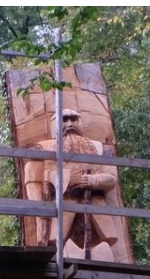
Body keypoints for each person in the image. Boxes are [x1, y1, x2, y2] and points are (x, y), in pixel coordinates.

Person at [23, 108, 126, 262]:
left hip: (96, 207)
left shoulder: (100, 148)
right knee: (58, 248)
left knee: (105, 252)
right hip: (62, 208)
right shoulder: (42, 148)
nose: (69, 124)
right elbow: (33, 182)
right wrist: (41, 208)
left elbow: (112, 178)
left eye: (73, 119)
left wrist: (93, 181)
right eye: (64, 120)